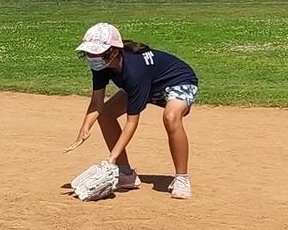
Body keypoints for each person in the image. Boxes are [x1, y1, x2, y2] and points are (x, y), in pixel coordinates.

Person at [68, 23, 196, 199]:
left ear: (114, 51)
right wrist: (85, 128)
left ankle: (182, 179)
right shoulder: (102, 65)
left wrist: (110, 159)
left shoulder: (134, 70)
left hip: (177, 81)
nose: (92, 57)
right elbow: (97, 102)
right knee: (106, 115)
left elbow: (132, 122)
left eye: (97, 53)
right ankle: (126, 173)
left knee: (171, 117)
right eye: (90, 53)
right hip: (148, 85)